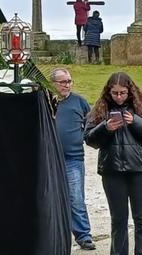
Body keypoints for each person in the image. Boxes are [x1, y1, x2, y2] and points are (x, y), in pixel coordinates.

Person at [84, 72, 142, 255]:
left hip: (141, 169)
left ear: (130, 91)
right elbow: (90, 140)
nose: (119, 97)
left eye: (123, 93)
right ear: (108, 92)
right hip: (112, 170)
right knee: (118, 219)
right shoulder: (99, 110)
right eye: (115, 93)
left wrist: (135, 122)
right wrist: (105, 128)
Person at [51, 68, 96, 251]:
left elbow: (91, 126)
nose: (67, 85)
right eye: (62, 82)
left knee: (76, 198)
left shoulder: (80, 102)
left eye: (69, 81)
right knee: (49, 198)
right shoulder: (46, 101)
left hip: (73, 159)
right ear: (53, 84)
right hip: (49, 157)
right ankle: (53, 236)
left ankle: (83, 236)